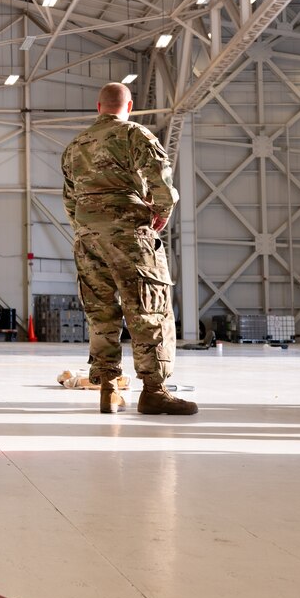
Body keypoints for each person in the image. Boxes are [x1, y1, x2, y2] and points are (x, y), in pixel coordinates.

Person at [61, 82, 197, 415]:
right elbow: (160, 179)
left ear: (98, 107)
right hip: (129, 235)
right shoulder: (135, 134)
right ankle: (153, 391)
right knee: (148, 309)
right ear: (130, 106)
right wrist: (162, 211)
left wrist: (87, 229)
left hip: (88, 239)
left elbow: (69, 199)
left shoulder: (75, 146)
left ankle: (108, 389)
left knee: (101, 313)